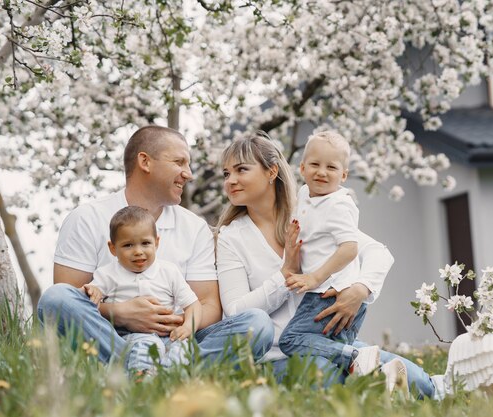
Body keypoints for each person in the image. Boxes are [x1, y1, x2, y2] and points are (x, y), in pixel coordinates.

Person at [215, 132, 437, 397]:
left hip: (329, 342)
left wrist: (360, 289)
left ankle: (441, 385)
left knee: (416, 381)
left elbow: (377, 252)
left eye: (241, 170)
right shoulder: (232, 237)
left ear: (271, 172)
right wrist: (285, 275)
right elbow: (237, 310)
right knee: (329, 376)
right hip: (277, 355)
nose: (231, 181)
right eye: (226, 174)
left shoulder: (309, 211)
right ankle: (368, 380)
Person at [38, 125, 273, 368]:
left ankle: (144, 370)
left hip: (177, 338)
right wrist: (119, 313)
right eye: (179, 162)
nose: (189, 174)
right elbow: (72, 299)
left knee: (257, 324)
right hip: (111, 337)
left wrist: (166, 322)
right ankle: (160, 371)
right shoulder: (87, 218)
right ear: (145, 162)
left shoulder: (194, 227)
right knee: (55, 299)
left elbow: (209, 306)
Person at [277, 131, 406, 390]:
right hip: (332, 295)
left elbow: (349, 248)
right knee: (337, 356)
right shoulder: (305, 194)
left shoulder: (338, 205)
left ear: (344, 176)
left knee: (291, 340)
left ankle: (359, 358)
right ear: (301, 168)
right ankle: (379, 383)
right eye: (314, 164)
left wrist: (314, 277)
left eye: (331, 167)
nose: (322, 172)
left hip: (329, 293)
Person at [82, 206, 201, 370]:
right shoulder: (107, 274)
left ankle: (171, 378)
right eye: (128, 245)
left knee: (184, 347)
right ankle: (142, 377)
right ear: (113, 248)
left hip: (168, 334)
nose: (138, 251)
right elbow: (88, 299)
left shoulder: (169, 271)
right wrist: (93, 291)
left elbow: (193, 304)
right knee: (148, 345)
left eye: (145, 243)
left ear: (156, 243)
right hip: (128, 335)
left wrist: (188, 326)